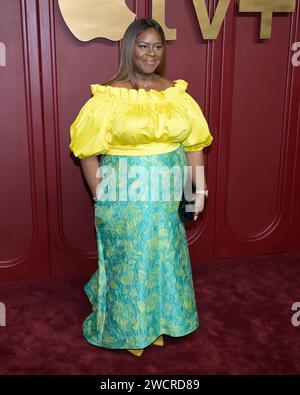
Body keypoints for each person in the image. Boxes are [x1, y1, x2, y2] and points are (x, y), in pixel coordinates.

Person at [69, 18, 213, 357]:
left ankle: (168, 318)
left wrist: (198, 191)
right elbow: (87, 151)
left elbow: (194, 145)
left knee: (167, 254)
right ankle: (128, 325)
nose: (151, 53)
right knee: (130, 259)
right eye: (143, 45)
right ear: (129, 48)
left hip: (167, 193)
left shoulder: (176, 94)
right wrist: (100, 196)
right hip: (124, 194)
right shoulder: (109, 97)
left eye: (158, 46)